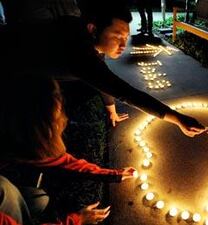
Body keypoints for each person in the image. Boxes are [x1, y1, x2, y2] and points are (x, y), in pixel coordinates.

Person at [0, 1, 205, 135]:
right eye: (117, 36)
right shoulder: (77, 52)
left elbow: (101, 74)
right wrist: (177, 118)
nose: (123, 45)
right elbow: (124, 91)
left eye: (126, 37)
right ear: (93, 29)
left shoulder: (81, 32)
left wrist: (110, 108)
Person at [0, 78, 135, 225]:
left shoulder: (20, 140)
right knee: (7, 189)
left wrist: (114, 174)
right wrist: (77, 220)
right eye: (55, 116)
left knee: (38, 199)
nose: (62, 119)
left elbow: (63, 162)